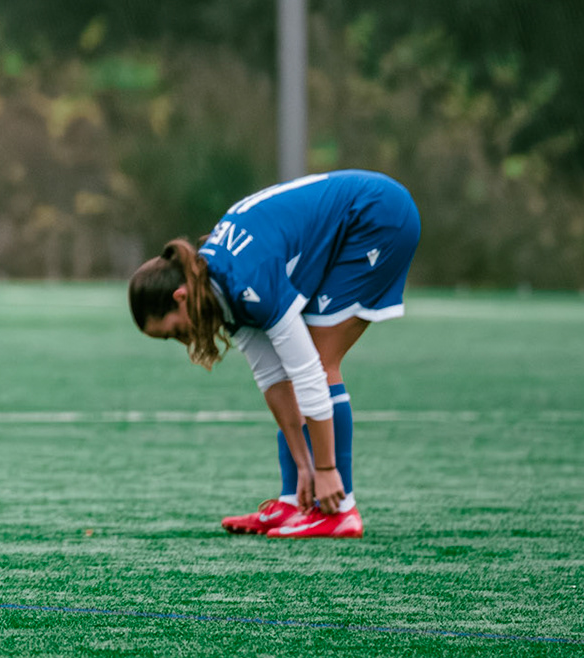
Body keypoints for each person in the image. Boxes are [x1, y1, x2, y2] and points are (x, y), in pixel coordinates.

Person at [128, 169, 421, 539]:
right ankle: (295, 502)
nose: (184, 341)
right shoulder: (214, 287)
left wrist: (325, 469)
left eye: (175, 332)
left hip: (378, 216)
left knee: (320, 362)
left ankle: (340, 509)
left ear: (181, 297)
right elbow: (272, 377)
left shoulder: (247, 282)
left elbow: (308, 373)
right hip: (356, 220)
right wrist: (304, 464)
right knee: (294, 367)